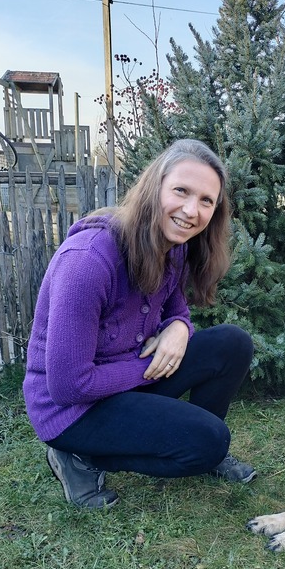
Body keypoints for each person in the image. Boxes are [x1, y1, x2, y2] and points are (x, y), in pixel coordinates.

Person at [23, 138, 256, 509]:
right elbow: (68, 385)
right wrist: (148, 367)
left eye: (206, 201)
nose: (191, 210)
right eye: (181, 191)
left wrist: (180, 328)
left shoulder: (173, 246)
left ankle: (195, 438)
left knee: (233, 343)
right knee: (210, 442)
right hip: (71, 411)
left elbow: (177, 310)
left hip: (124, 380)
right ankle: (79, 457)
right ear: (154, 187)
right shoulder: (87, 262)